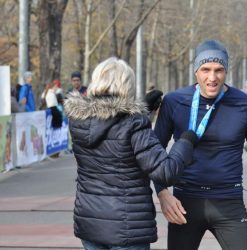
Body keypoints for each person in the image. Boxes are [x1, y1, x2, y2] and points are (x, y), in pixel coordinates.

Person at [63, 57, 198, 250]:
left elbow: (110, 125)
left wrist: (142, 110)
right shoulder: (134, 124)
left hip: (90, 223)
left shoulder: (78, 121)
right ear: (127, 85)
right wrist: (186, 142)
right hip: (127, 228)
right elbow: (166, 172)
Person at [154, 39, 247, 250]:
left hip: (229, 201)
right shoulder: (174, 101)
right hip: (184, 203)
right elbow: (154, 153)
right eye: (205, 69)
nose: (212, 77)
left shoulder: (246, 105)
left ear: (226, 71)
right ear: (196, 71)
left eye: (219, 70)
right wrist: (163, 194)